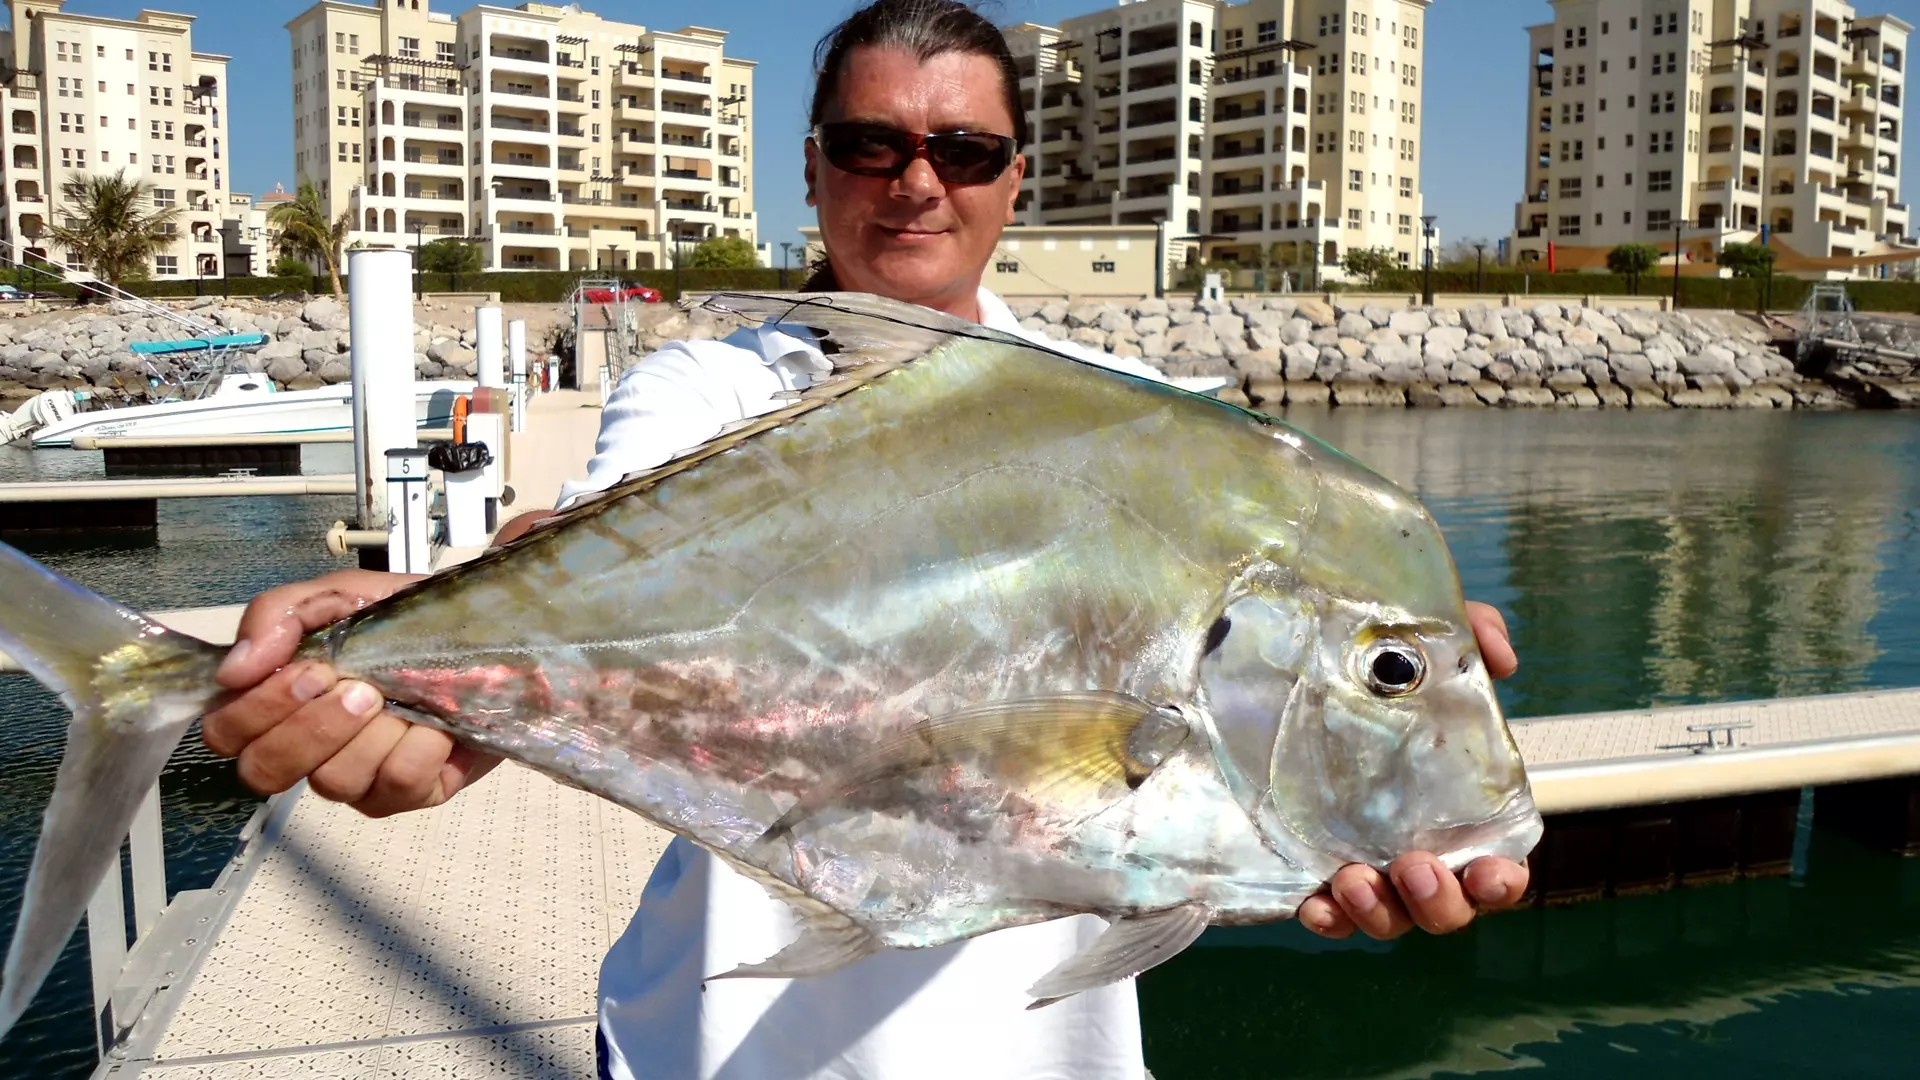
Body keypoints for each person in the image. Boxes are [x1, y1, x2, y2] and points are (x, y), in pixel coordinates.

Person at [202, 2, 1529, 1077]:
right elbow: (615, 537)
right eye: (869, 145)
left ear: (1017, 177)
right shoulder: (703, 390)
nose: (917, 185)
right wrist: (449, 646)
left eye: (962, 151)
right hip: (703, 1054)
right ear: (814, 166)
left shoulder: (1157, 427)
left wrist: (1395, 721)